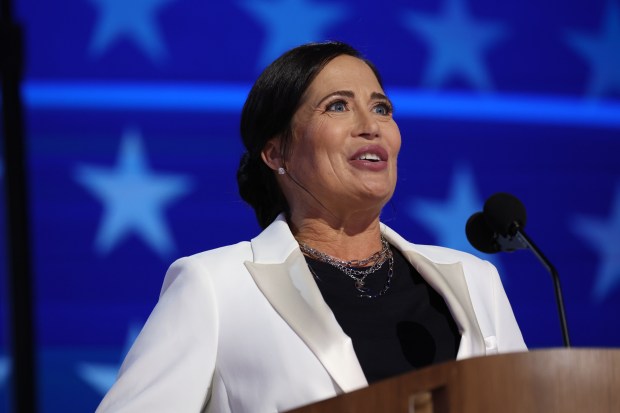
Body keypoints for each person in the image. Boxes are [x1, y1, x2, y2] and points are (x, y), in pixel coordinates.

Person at [96, 41, 526, 413]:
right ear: (276, 152)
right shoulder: (215, 287)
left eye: (382, 108)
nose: (371, 125)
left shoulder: (474, 281)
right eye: (338, 106)